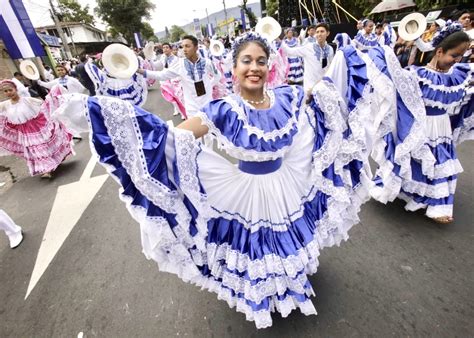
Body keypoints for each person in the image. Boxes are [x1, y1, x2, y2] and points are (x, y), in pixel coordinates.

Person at [60, 32, 377, 328]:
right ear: (234, 68)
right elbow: (170, 137)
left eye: (261, 61)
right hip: (245, 190)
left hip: (285, 183)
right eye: (247, 61)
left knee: (288, 237)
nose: (254, 67)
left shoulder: (288, 97)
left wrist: (347, 62)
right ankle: (262, 296)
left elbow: (320, 96)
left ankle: (288, 283)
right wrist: (109, 115)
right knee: (254, 245)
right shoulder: (223, 109)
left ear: (269, 66)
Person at [370, 24, 472, 223]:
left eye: (461, 55)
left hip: (441, 127)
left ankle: (437, 206)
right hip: (420, 125)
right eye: (454, 55)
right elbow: (398, 92)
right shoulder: (416, 76)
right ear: (440, 51)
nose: (458, 61)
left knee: (440, 161)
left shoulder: (457, 77)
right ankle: (409, 193)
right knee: (416, 160)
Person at [0, 80, 73, 178]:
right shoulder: (5, 105)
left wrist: (52, 98)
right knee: (34, 152)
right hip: (23, 132)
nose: (8, 93)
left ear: (16, 89)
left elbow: (44, 105)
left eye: (10, 90)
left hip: (35, 128)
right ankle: (46, 169)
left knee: (43, 148)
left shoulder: (27, 100)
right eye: (5, 91)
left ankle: (48, 168)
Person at [139, 35, 221, 117]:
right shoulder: (180, 64)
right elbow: (162, 75)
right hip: (192, 109)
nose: (184, 49)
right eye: (182, 47)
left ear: (196, 48)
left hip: (208, 105)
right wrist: (141, 71)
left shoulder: (207, 62)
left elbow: (217, 75)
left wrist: (209, 85)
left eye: (187, 46)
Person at [281, 23, 334, 93]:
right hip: (310, 87)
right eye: (317, 32)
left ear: (327, 33)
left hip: (324, 86)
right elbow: (290, 51)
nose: (319, 34)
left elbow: (330, 68)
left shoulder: (330, 49)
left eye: (322, 31)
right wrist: (279, 41)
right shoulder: (309, 47)